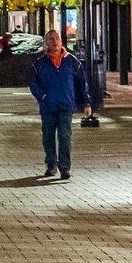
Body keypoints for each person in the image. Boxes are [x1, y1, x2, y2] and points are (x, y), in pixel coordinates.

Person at [28, 29, 92, 180]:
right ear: (46, 43)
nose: (55, 42)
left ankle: (64, 167)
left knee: (65, 137)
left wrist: (86, 102)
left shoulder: (72, 62)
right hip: (48, 107)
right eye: (51, 39)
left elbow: (82, 83)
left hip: (65, 106)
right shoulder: (39, 64)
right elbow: (33, 84)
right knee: (48, 137)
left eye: (57, 38)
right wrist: (43, 96)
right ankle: (51, 164)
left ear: (61, 41)